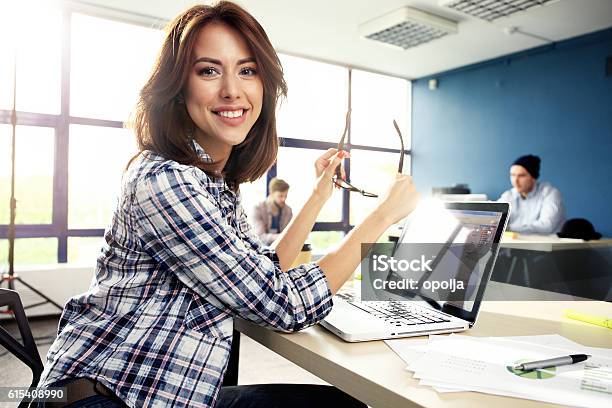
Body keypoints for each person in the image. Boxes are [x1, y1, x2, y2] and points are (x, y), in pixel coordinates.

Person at [36, 2, 419, 408]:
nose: (232, 90)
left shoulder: (215, 184)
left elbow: (267, 274)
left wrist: (319, 194)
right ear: (179, 89)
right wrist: (381, 217)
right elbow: (282, 304)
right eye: (209, 70)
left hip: (162, 390)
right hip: (104, 398)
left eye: (248, 70)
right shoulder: (165, 180)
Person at [498, 154, 565, 234]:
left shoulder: (550, 194)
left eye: (521, 176)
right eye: (512, 175)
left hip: (545, 244)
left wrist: (507, 228)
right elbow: (495, 217)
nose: (515, 180)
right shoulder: (509, 195)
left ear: (533, 177)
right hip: (518, 243)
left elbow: (546, 226)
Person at [251, 177, 293, 245]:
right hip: (261, 251)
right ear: (271, 193)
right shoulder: (257, 209)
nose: (284, 199)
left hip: (281, 250)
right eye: (280, 196)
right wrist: (282, 236)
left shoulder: (288, 211)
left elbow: (290, 235)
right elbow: (260, 237)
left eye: (286, 196)